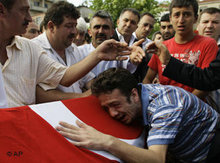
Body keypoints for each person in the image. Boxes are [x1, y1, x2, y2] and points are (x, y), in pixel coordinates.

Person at [57, 68, 220, 163]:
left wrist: (106, 141)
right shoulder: (142, 93)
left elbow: (156, 159)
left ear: (134, 94)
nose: (112, 114)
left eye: (116, 105)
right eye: (106, 108)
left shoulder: (165, 105)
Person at [0, 0, 131, 107]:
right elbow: (41, 95)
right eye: (23, 10)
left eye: (75, 26)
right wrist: (81, 97)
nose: (29, 18)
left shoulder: (30, 49)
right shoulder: (37, 45)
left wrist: (98, 54)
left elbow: (65, 77)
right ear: (1, 10)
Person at [143, 0, 218, 100]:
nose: (181, 20)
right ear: (171, 18)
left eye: (186, 14)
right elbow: (147, 80)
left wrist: (182, 107)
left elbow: (206, 84)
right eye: (177, 15)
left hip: (195, 110)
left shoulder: (209, 44)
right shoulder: (162, 47)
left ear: (195, 18)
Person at [32, 2, 95, 103]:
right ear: (51, 26)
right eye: (69, 26)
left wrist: (100, 90)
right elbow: (37, 94)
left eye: (75, 26)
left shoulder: (74, 49)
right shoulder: (34, 49)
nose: (74, 32)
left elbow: (87, 78)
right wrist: (81, 97)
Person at [78, 10, 144, 76]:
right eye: (97, 27)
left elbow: (126, 70)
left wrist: (132, 60)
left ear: (112, 32)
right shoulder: (79, 52)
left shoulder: (117, 53)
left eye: (105, 27)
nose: (101, 31)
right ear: (89, 32)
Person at [132, 12, 155, 82]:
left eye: (151, 27)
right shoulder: (125, 40)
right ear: (137, 23)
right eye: (145, 25)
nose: (147, 29)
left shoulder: (151, 46)